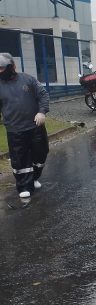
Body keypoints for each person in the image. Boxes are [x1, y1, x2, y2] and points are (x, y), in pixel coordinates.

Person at [0, 52, 50, 198]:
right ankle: (23, 186)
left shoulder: (27, 79)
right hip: (14, 128)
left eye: (2, 68)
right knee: (19, 158)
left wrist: (42, 112)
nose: (0, 71)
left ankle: (33, 177)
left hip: (35, 126)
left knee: (40, 154)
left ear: (11, 66)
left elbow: (43, 94)